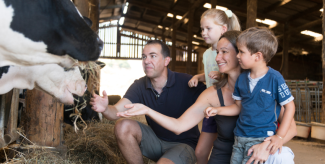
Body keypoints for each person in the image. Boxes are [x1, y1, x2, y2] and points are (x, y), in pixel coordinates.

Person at [117, 31, 297, 164]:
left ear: (241, 53)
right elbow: (180, 126)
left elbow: (292, 128)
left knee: (282, 155)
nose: (218, 58)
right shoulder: (211, 95)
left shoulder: (265, 84)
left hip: (260, 151)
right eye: (217, 52)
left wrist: (268, 146)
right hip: (225, 156)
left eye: (224, 52)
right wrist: (148, 110)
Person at [90, 40, 206, 164]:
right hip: (155, 140)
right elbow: (116, 111)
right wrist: (106, 108)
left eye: (153, 56)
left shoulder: (186, 82)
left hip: (184, 144)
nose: (146, 61)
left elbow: (213, 96)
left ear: (166, 61)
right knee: (122, 126)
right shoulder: (140, 85)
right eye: (144, 57)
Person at [205, 27, 296, 164]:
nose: (237, 55)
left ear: (257, 56)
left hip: (259, 139)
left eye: (241, 52)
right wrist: (217, 110)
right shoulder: (242, 79)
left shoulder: (275, 78)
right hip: (239, 138)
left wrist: (280, 137)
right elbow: (237, 107)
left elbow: (289, 107)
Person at [187, 9, 241, 164]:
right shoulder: (206, 54)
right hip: (211, 105)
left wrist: (222, 76)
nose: (204, 32)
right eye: (202, 29)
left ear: (224, 29)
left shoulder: (235, 51)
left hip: (228, 103)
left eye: (208, 28)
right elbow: (208, 73)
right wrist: (198, 77)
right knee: (200, 152)